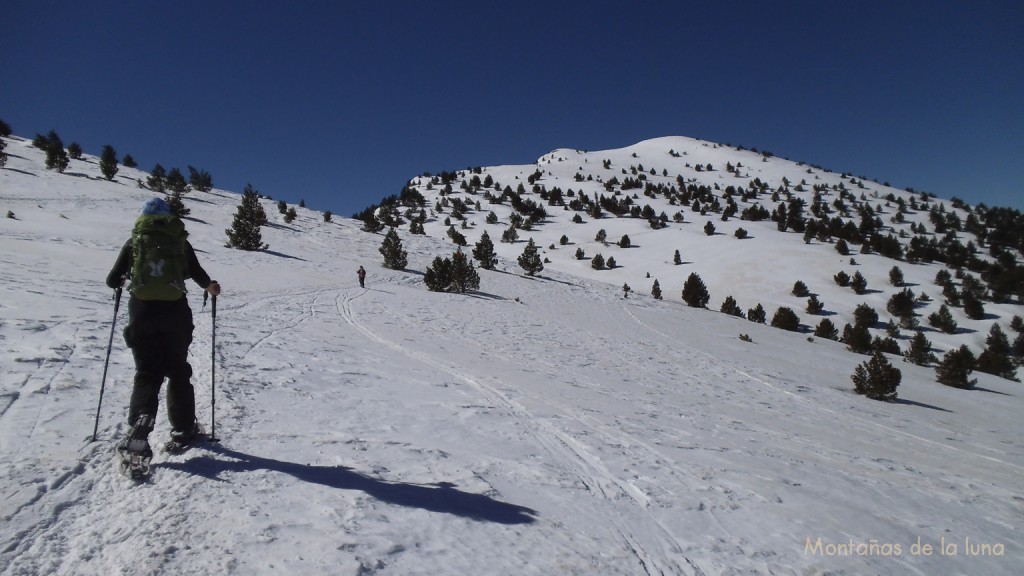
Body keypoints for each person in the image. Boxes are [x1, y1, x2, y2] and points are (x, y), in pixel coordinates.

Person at [105, 198, 221, 467]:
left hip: (142, 312)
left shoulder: (135, 242)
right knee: (178, 370)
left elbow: (112, 280)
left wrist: (126, 280)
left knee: (147, 372)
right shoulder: (179, 241)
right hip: (175, 313)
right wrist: (210, 287)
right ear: (169, 218)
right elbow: (198, 273)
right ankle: (183, 428)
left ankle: (141, 425)